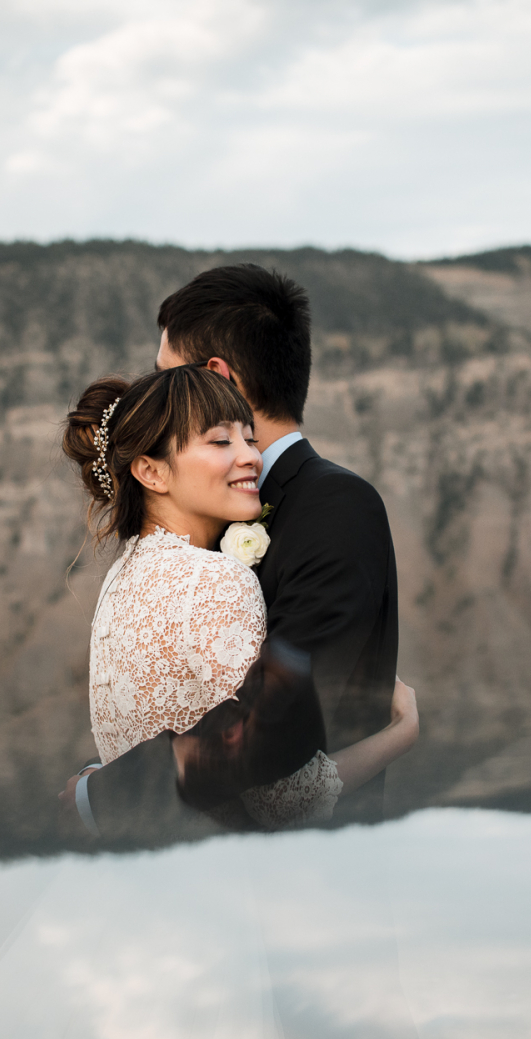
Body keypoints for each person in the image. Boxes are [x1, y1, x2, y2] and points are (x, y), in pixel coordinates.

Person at [66, 264, 412, 843]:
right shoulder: (191, 538)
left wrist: (104, 795)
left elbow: (274, 724)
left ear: (215, 376)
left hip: (308, 887)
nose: (149, 398)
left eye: (165, 376)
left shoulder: (333, 506)